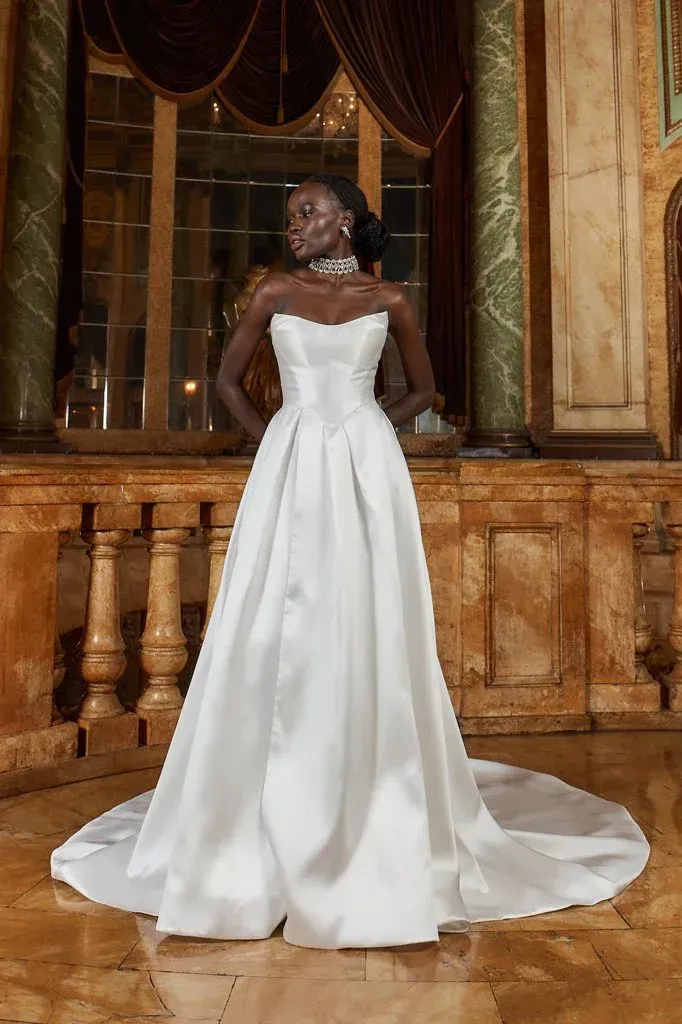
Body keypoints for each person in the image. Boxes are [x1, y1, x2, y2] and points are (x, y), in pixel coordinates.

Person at [51, 174, 650, 950]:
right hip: (292, 459)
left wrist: (370, 423)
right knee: (275, 615)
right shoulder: (273, 291)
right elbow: (229, 383)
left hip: (368, 465)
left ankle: (373, 786)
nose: (294, 224)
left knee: (366, 612)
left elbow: (425, 387)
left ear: (346, 221)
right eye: (290, 215)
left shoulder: (389, 299)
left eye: (306, 212)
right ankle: (259, 804)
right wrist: (279, 432)